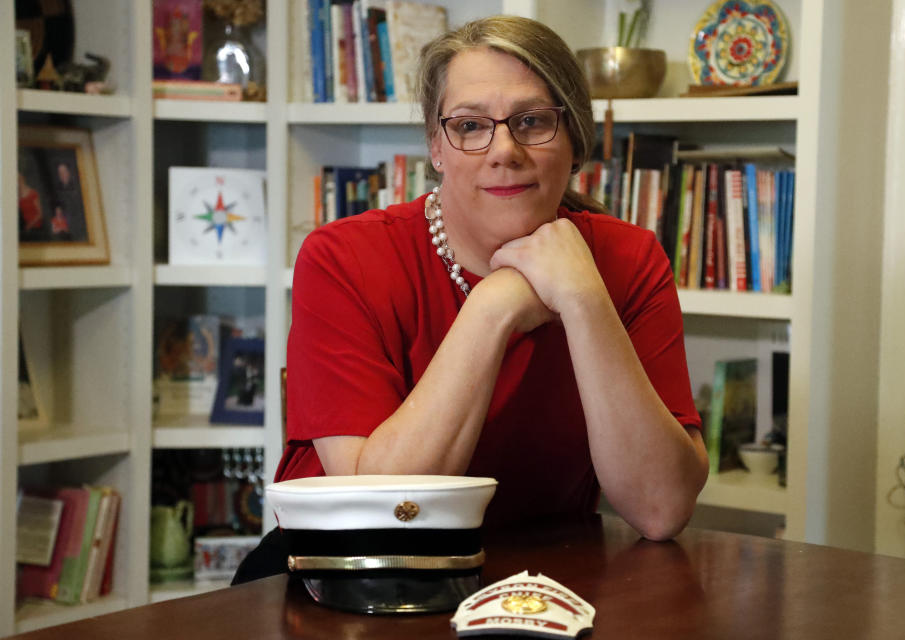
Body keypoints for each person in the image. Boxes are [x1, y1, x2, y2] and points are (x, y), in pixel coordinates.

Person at [234, 15, 707, 584]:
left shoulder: (629, 261)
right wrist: (495, 305)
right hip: (346, 579)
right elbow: (382, 514)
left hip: (542, 577)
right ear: (436, 146)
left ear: (576, 140)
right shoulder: (343, 258)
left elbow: (661, 509)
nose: (504, 149)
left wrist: (583, 299)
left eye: (533, 121)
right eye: (470, 126)